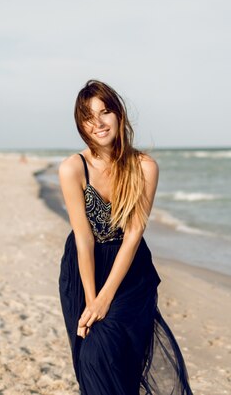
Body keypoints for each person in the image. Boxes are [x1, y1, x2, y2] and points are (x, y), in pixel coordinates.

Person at [58, 80, 194, 395]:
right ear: (81, 125)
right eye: (89, 117)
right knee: (90, 356)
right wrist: (93, 302)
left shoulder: (145, 167)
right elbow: (84, 240)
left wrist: (107, 299)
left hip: (130, 270)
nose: (99, 123)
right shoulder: (72, 168)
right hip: (83, 269)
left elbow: (133, 235)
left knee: (122, 357)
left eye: (105, 112)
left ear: (119, 115)